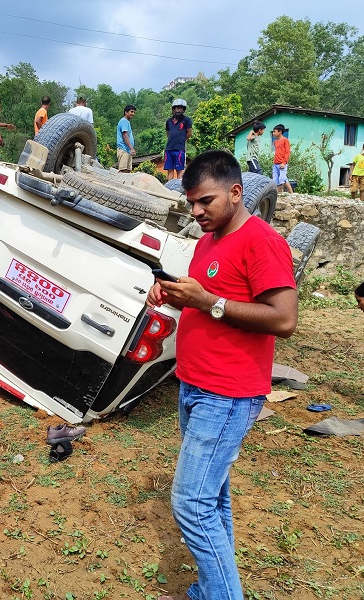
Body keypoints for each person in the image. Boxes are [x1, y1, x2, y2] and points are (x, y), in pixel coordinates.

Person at [147, 150, 298, 600]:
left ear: (235, 192)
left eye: (205, 201)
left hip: (228, 394)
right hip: (194, 385)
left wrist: (207, 301)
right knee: (211, 499)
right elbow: (209, 304)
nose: (196, 212)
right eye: (191, 202)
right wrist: (174, 295)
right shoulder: (208, 243)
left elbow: (284, 319)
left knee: (190, 504)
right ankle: (214, 590)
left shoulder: (262, 242)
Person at [165, 99, 193, 181]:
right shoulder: (168, 121)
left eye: (181, 108)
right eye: (177, 108)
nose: (179, 110)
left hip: (179, 149)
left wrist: (181, 140)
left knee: (179, 170)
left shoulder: (187, 120)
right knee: (170, 170)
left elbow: (189, 133)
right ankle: (168, 187)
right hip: (169, 149)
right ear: (174, 109)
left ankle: (178, 188)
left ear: (183, 110)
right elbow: (168, 134)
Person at [271, 124, 293, 193]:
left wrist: (284, 162)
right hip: (275, 164)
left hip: (282, 163)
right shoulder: (275, 142)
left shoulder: (285, 140)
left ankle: (291, 192)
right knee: (275, 180)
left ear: (280, 131)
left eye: (274, 131)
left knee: (282, 178)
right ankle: (278, 193)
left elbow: (287, 152)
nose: (273, 133)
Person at [116, 105, 136, 173]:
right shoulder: (123, 121)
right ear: (126, 112)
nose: (133, 114)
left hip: (127, 150)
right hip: (123, 149)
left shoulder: (127, 122)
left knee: (127, 171)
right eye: (131, 111)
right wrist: (131, 148)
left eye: (134, 112)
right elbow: (125, 135)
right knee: (123, 170)